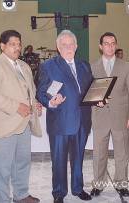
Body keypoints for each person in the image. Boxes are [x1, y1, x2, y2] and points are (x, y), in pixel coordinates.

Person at [0, 29, 42, 203]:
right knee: (2, 169)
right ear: (2, 46)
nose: (17, 47)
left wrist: (34, 102)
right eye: (12, 44)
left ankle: (21, 195)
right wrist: (16, 107)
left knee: (22, 163)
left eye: (19, 44)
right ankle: (3, 199)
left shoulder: (24, 66)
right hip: (3, 126)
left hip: (24, 125)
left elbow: (31, 91)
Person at [36, 30, 93, 203]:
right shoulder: (48, 66)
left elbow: (90, 90)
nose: (68, 47)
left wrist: (98, 99)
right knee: (59, 161)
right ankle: (59, 193)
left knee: (78, 159)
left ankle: (77, 188)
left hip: (82, 121)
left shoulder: (84, 65)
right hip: (60, 121)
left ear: (76, 46)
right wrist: (51, 101)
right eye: (64, 45)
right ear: (58, 47)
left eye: (71, 44)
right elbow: (41, 91)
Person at [90, 32, 129, 197]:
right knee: (98, 154)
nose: (109, 46)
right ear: (100, 46)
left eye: (112, 43)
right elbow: (89, 94)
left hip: (121, 117)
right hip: (100, 117)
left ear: (116, 45)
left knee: (122, 153)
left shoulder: (126, 66)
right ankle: (98, 184)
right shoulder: (92, 67)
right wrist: (95, 101)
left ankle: (122, 184)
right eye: (106, 43)